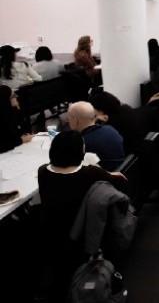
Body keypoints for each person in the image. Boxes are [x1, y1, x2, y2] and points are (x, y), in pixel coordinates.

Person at [37, 130, 127, 300]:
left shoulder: (43, 172)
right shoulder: (91, 173)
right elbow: (117, 184)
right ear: (80, 152)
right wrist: (110, 175)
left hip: (52, 234)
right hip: (83, 234)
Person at [68, 101, 125, 170]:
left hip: (102, 178)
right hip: (120, 174)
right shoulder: (110, 129)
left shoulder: (81, 143)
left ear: (75, 120)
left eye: (69, 119)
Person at [0, 85, 33, 152]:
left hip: (19, 149)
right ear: (6, 100)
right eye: (13, 96)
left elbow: (24, 129)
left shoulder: (12, 110)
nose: (17, 96)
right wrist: (21, 140)